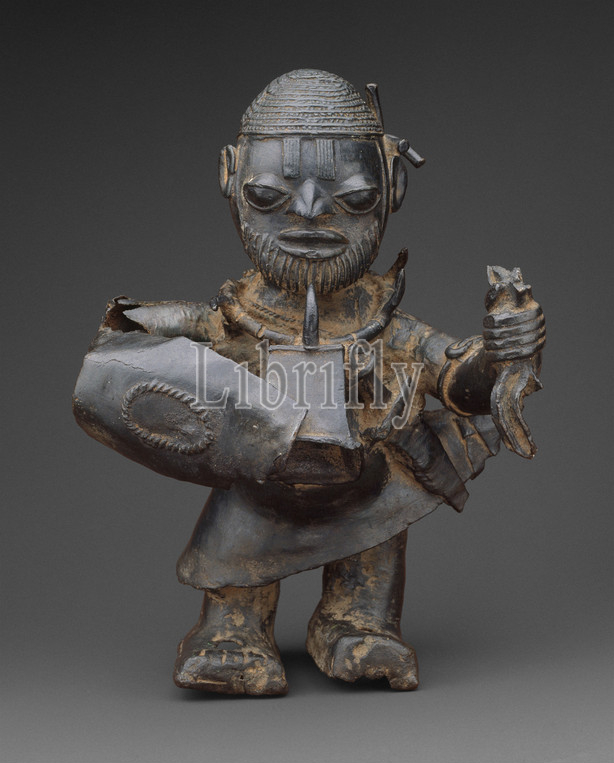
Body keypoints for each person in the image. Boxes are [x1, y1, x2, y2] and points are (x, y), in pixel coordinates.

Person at [73, 69, 545, 695]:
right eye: (270, 195)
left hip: (368, 490)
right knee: (238, 568)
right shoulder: (229, 320)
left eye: (354, 197)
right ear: (230, 178)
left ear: (394, 186)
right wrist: (132, 331)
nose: (311, 212)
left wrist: (500, 353)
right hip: (257, 491)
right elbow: (128, 350)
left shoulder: (387, 324)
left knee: (371, 558)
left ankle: (357, 625)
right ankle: (233, 635)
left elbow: (458, 380)